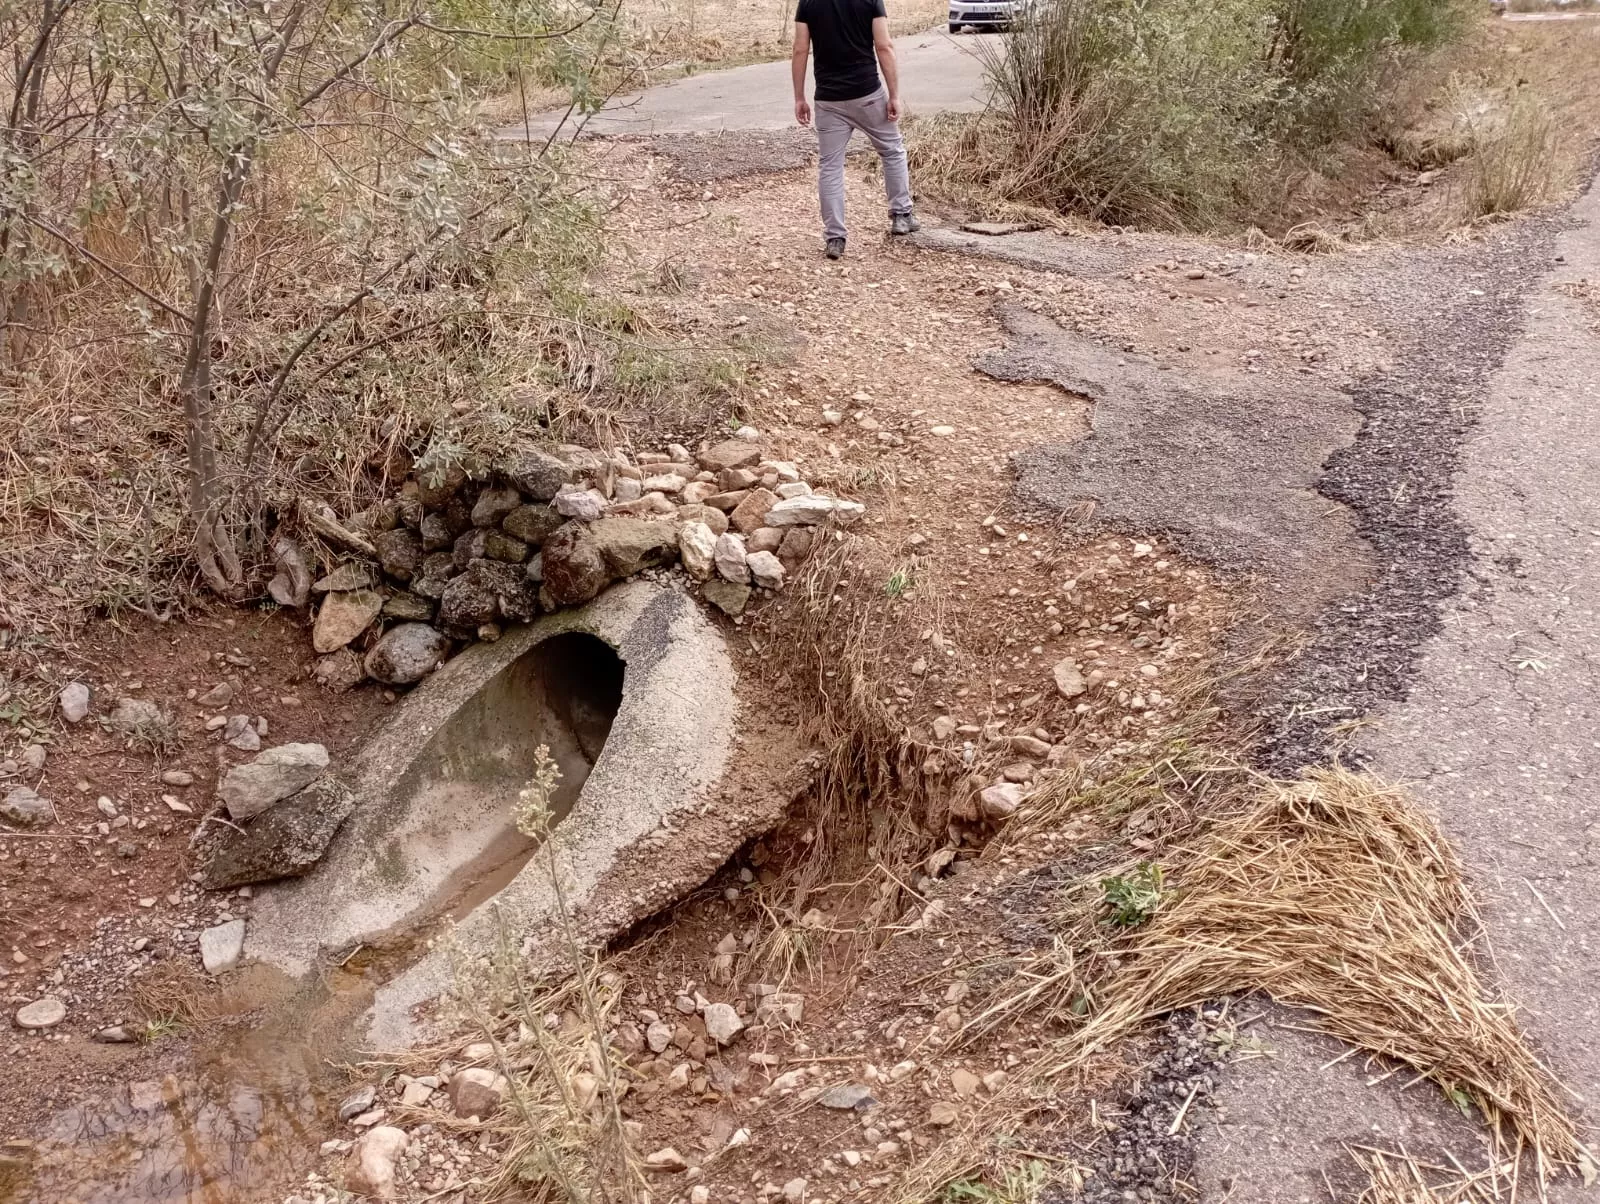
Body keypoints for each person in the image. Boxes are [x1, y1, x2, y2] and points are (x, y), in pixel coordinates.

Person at [791, 0, 919, 259]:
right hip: (868, 94)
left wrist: (799, 97)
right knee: (892, 150)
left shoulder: (808, 3)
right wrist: (894, 95)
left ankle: (835, 237)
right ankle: (902, 216)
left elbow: (800, 50)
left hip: (828, 100)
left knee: (830, 166)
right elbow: (884, 47)